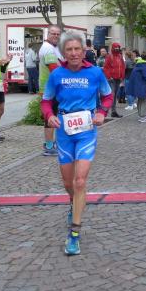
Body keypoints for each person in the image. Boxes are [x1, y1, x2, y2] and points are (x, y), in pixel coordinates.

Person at [40, 30, 113, 256]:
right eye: (69, 49)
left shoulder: (95, 73)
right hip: (64, 131)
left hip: (86, 131)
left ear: (83, 51)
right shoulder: (57, 75)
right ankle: (74, 203)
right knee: (68, 182)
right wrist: (49, 116)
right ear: (63, 52)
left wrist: (101, 112)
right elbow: (46, 101)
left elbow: (108, 96)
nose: (73, 53)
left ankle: (74, 234)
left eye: (77, 49)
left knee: (80, 181)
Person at [39, 25, 63, 156]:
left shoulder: (54, 48)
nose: (56, 36)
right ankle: (49, 146)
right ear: (48, 34)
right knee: (51, 116)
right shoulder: (48, 48)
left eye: (58, 34)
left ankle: (52, 143)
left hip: (53, 87)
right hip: (49, 88)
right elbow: (54, 69)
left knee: (55, 115)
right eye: (53, 33)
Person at [102, 42, 125, 118]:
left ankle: (113, 111)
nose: (117, 49)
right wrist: (109, 77)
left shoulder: (120, 56)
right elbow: (106, 67)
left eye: (118, 48)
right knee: (111, 95)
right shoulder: (109, 57)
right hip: (112, 79)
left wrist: (122, 76)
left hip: (118, 78)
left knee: (114, 96)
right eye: (116, 48)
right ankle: (105, 110)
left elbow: (122, 67)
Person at [129, 51, 146, 122]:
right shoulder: (144, 65)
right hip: (142, 84)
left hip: (137, 84)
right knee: (144, 100)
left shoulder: (138, 64)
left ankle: (140, 114)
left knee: (140, 100)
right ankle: (143, 116)